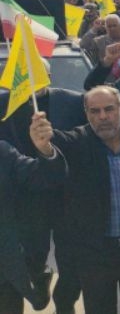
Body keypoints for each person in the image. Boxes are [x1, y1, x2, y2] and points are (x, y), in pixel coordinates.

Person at [32, 86, 120, 314]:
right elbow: (52, 168)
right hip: (96, 253)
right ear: (86, 114)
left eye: (109, 109)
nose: (103, 116)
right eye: (94, 111)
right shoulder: (75, 143)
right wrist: (44, 147)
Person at [0, 130, 66, 314]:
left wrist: (45, 150)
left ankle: (38, 286)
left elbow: (46, 176)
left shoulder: (2, 152)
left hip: (4, 272)